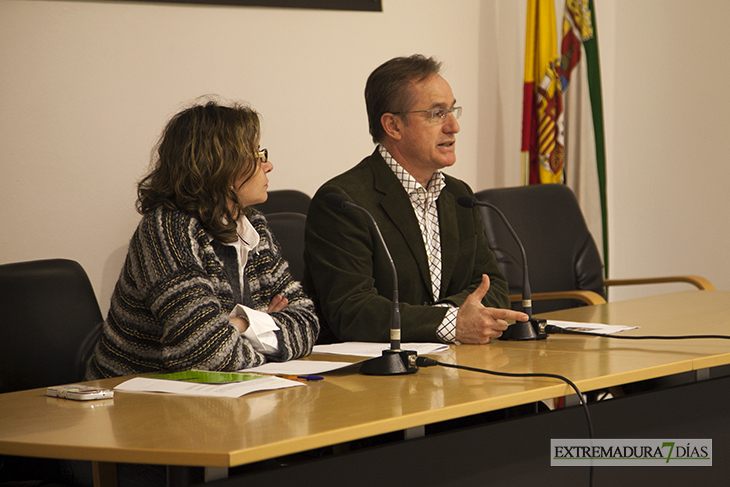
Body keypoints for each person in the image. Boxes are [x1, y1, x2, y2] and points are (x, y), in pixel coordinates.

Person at [86, 98, 319, 380]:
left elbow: (307, 322)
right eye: (256, 155)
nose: (268, 165)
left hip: (227, 393)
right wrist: (266, 327)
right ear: (220, 165)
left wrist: (240, 324)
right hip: (136, 398)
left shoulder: (252, 225)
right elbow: (205, 355)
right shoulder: (167, 230)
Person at [303, 55, 527, 344]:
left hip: (453, 364)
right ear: (393, 126)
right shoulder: (343, 202)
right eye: (437, 114)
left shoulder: (459, 195)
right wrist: (450, 322)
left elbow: (491, 285)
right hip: (372, 376)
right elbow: (353, 311)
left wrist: (448, 320)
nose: (453, 127)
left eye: (452, 110)